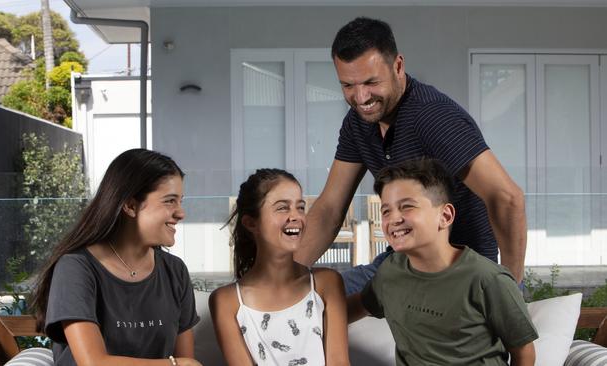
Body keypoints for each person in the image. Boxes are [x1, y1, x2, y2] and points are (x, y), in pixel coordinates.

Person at [295, 17, 526, 294]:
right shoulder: (357, 123)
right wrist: (286, 278)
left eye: (370, 82)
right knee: (314, 298)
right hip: (402, 263)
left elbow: (507, 197)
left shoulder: (433, 117)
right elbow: (330, 208)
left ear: (398, 66)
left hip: (460, 272)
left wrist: (509, 288)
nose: (360, 97)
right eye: (348, 85)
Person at [348, 158, 538, 365]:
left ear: (445, 216)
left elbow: (524, 351)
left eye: (407, 207)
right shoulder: (389, 273)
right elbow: (351, 309)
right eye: (386, 211)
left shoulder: (488, 279)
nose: (393, 219)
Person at [32, 149, 202, 366]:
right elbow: (93, 363)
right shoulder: (75, 268)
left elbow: (186, 359)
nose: (181, 213)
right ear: (130, 206)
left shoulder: (175, 270)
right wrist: (175, 365)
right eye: (170, 201)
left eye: (180, 201)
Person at [209, 169, 349, 366]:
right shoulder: (226, 301)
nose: (296, 216)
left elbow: (339, 363)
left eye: (300, 207)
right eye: (283, 208)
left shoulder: (326, 283)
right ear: (251, 223)